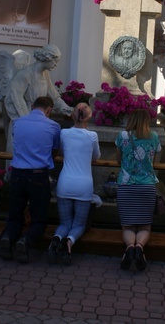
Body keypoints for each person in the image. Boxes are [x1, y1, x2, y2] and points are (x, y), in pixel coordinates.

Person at [0, 96, 61, 263]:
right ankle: (26, 241)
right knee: (39, 216)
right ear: (49, 110)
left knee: (15, 213)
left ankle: (7, 237)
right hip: (38, 175)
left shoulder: (18, 122)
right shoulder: (53, 126)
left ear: (33, 106)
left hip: (17, 174)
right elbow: (54, 150)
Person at [47, 102, 101, 265]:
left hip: (65, 183)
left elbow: (62, 152)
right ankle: (68, 242)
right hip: (84, 185)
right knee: (78, 224)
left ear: (72, 115)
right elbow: (96, 157)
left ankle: (56, 239)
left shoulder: (64, 133)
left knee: (65, 223)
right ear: (89, 116)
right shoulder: (92, 136)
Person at [113, 109, 161, 271]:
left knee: (127, 226)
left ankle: (130, 248)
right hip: (147, 186)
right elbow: (155, 160)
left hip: (126, 186)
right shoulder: (153, 136)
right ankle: (139, 247)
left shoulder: (122, 136)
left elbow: (119, 159)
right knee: (144, 226)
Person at [3, 44, 72, 149]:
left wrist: (68, 109)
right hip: (23, 123)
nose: (56, 65)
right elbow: (13, 98)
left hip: (39, 123)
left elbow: (54, 97)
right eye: (55, 61)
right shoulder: (24, 74)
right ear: (47, 57)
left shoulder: (45, 75)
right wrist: (27, 121)